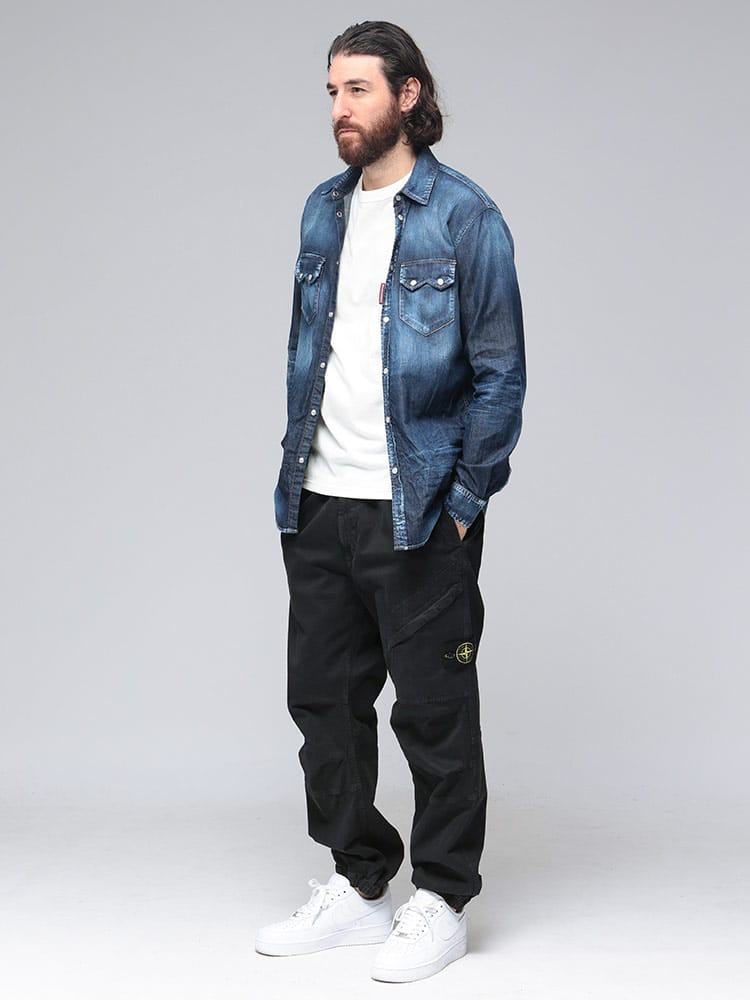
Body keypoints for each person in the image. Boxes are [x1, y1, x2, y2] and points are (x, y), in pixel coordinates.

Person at [256, 21, 526, 983]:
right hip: (320, 499)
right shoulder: (320, 212)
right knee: (324, 706)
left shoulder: (465, 217)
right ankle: (361, 883)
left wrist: (465, 499)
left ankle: (442, 897)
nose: (340, 109)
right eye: (332, 91)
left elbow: (500, 374)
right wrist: (297, 476)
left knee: (435, 714)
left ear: (409, 95)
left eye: (358, 90)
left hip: (419, 509)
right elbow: (312, 353)